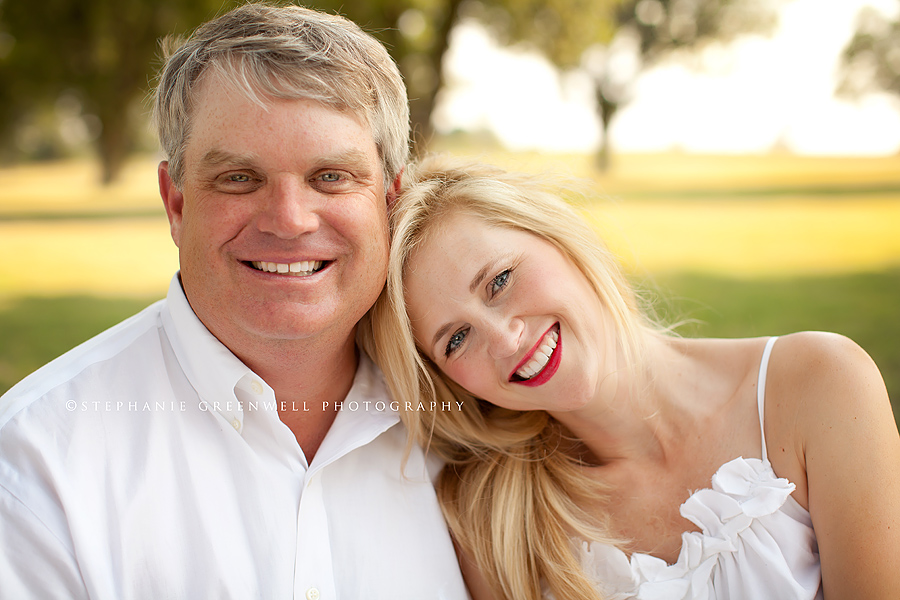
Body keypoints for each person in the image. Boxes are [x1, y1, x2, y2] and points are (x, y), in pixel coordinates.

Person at [0, 4, 468, 598]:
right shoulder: (34, 465)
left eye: (330, 176)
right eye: (239, 178)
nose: (290, 221)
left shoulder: (479, 421)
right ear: (176, 204)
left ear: (390, 200)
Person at [361, 154, 900, 600]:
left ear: (558, 237)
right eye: (455, 339)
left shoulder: (819, 385)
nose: (505, 340)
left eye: (500, 280)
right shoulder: (495, 524)